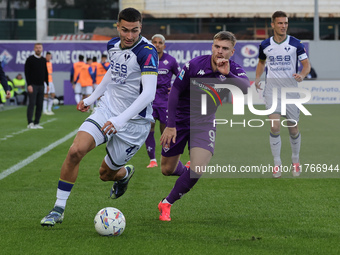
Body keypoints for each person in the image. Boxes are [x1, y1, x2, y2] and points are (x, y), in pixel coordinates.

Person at [40, 7, 158, 227]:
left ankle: (123, 175)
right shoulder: (112, 45)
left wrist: (120, 120)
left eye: (135, 30)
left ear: (141, 27)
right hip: (107, 110)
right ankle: (58, 209)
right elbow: (113, 72)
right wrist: (92, 97)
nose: (130, 36)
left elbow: (149, 93)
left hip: (133, 123)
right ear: (118, 27)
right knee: (75, 151)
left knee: (105, 174)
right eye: (125, 30)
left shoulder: (147, 52)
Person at [158, 31, 250, 221]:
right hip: (181, 119)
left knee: (198, 168)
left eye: (225, 49)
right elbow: (175, 91)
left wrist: (228, 74)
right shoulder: (195, 65)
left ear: (232, 52)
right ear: (212, 47)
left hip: (204, 121)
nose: (220, 52)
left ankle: (166, 203)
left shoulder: (234, 69)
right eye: (217, 46)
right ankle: (187, 173)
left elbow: (245, 88)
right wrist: (170, 125)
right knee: (167, 169)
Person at [255, 11, 311, 178]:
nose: (283, 26)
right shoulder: (265, 45)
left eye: (285, 23)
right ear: (273, 25)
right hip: (272, 91)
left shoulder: (296, 44)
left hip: (291, 91)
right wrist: (258, 78)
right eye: (280, 23)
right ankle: (277, 163)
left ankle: (295, 159)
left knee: (293, 129)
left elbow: (306, 65)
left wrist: (302, 75)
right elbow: (261, 62)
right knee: (275, 126)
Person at [145, 34, 180, 168]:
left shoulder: (170, 61)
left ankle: (165, 158)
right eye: (155, 42)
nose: (157, 45)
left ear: (164, 46)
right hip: (149, 101)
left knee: (165, 130)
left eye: (160, 43)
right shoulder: (146, 60)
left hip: (166, 102)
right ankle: (152, 160)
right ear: (151, 44)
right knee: (149, 128)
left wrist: (176, 89)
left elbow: (180, 76)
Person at [25, 43, 49, 129]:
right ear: (34, 49)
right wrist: (29, 84)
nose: (38, 49)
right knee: (31, 104)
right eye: (37, 48)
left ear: (42, 49)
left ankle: (36, 123)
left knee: (40, 104)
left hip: (41, 86)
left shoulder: (43, 60)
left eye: (40, 48)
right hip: (33, 85)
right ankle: (30, 122)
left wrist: (47, 84)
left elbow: (46, 72)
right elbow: (27, 73)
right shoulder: (30, 59)